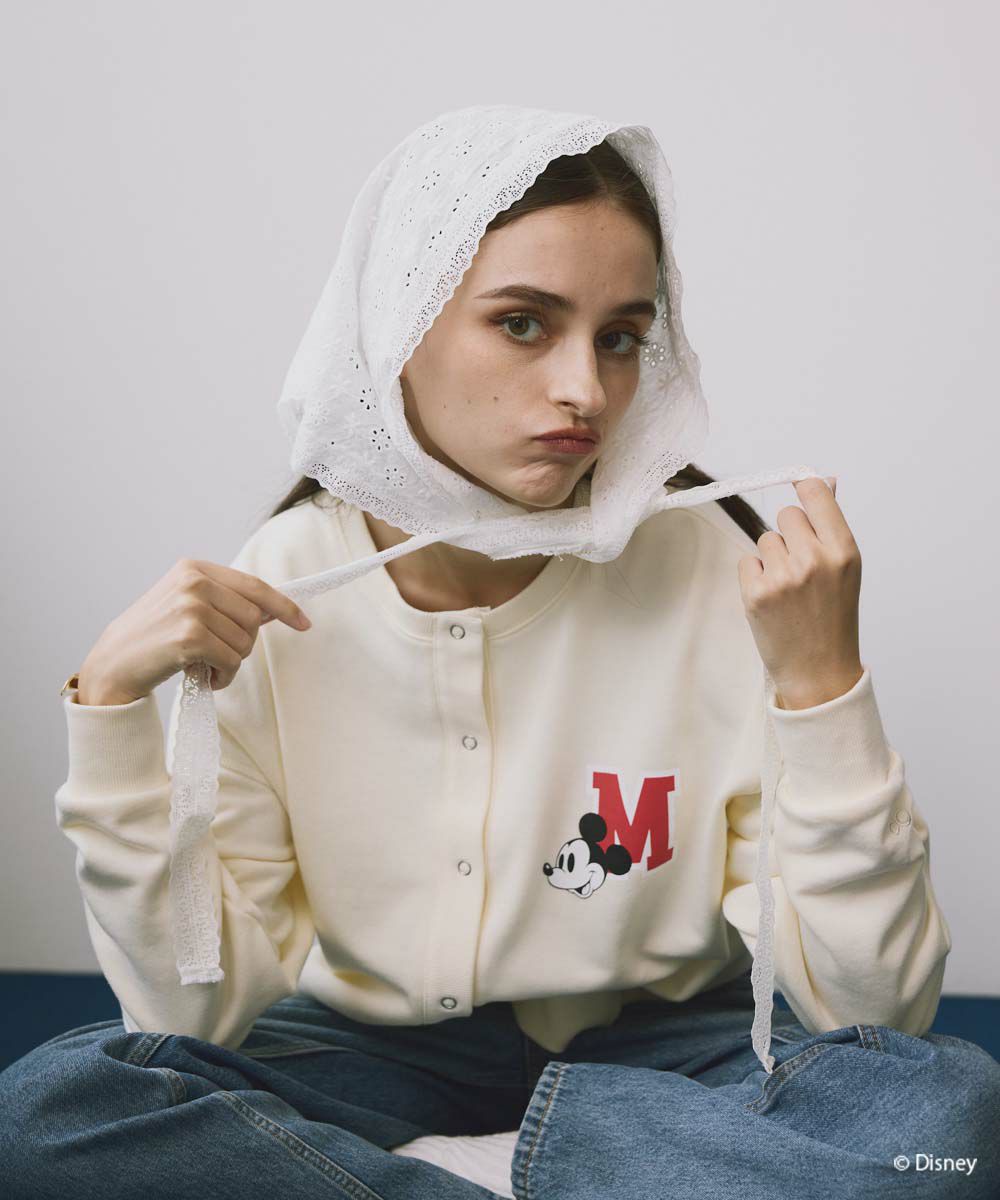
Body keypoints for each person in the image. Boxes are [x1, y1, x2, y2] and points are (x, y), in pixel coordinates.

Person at [2, 105, 996, 1200]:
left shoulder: (716, 565)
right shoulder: (284, 578)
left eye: (620, 337)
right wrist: (108, 712)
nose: (585, 391)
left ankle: (442, 1176)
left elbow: (874, 1014)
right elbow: (190, 1017)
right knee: (52, 1110)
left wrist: (823, 686)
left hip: (671, 1056)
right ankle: (551, 1180)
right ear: (396, 327)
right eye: (523, 323)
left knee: (941, 1117)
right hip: (370, 1054)